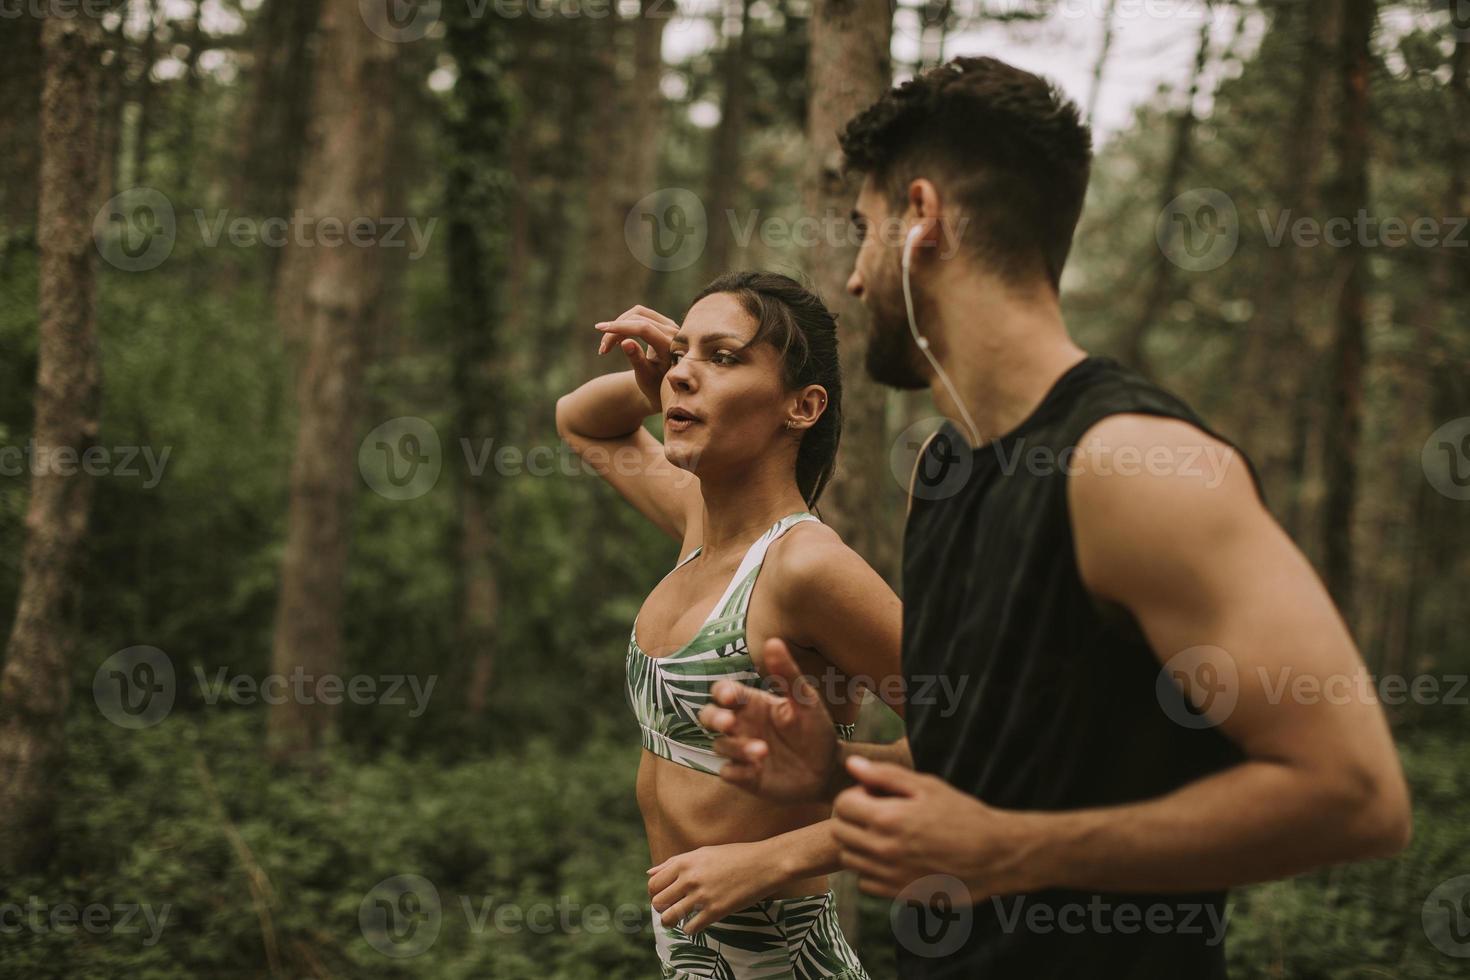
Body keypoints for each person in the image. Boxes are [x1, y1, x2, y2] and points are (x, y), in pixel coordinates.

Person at [699, 57, 1412, 978]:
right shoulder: (945, 470)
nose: (856, 277)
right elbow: (994, 763)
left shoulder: (1135, 467)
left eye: (863, 232)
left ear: (922, 219)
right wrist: (841, 774)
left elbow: (1358, 799)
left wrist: (1013, 851)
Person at [555, 271, 904, 979]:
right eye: (682, 352)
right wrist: (657, 379)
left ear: (801, 406)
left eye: (722, 357)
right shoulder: (699, 522)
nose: (685, 372)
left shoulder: (805, 566)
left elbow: (980, 741)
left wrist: (770, 860)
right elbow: (579, 419)